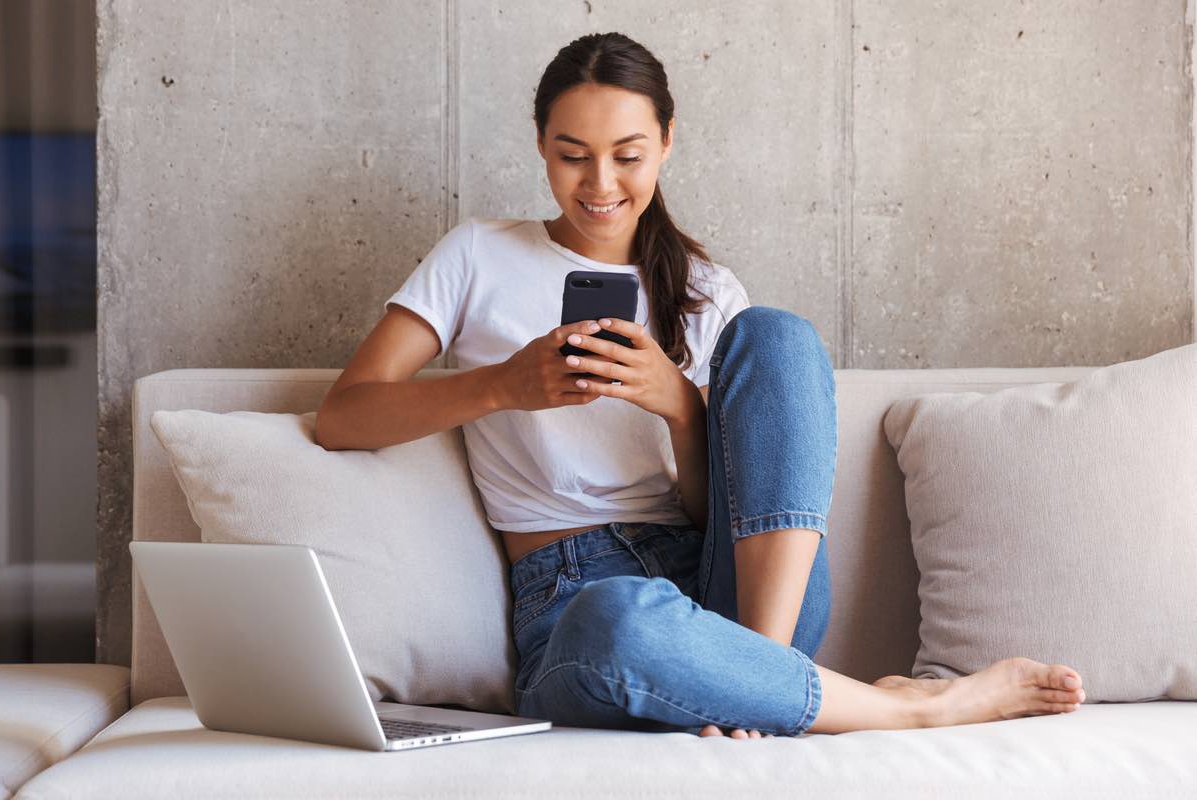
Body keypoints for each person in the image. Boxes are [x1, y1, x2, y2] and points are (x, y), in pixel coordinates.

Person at [315, 31, 1086, 739]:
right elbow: (343, 418)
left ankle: (754, 676)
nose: (600, 183)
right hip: (577, 606)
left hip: (743, 599)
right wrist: (505, 385)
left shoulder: (711, 292)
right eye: (572, 154)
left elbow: (728, 508)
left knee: (780, 335)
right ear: (541, 147)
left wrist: (679, 405)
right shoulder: (477, 254)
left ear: (667, 143)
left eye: (628, 154)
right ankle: (898, 705)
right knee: (618, 616)